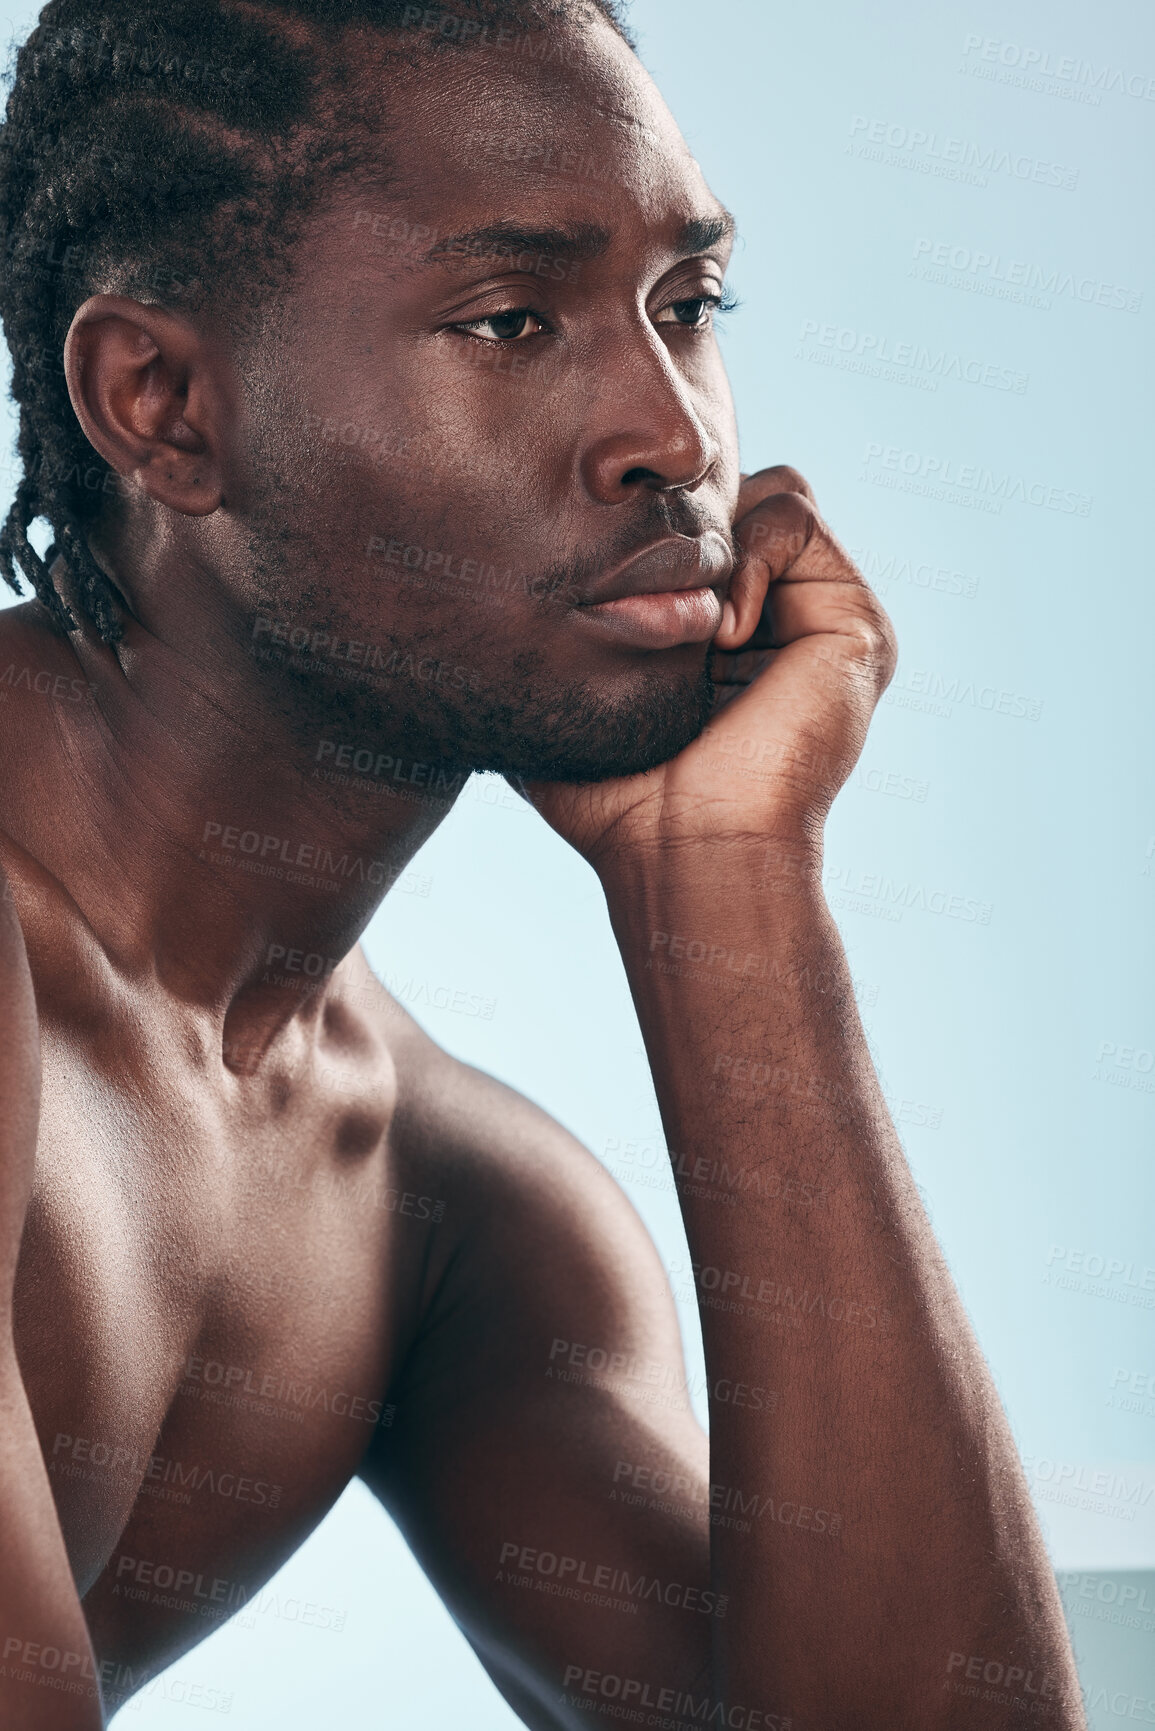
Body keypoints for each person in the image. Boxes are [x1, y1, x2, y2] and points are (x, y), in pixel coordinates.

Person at [0, 2, 1084, 1726]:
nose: (676, 438)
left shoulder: (439, 1208)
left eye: (688, 308)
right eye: (514, 319)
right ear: (162, 404)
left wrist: (731, 891)